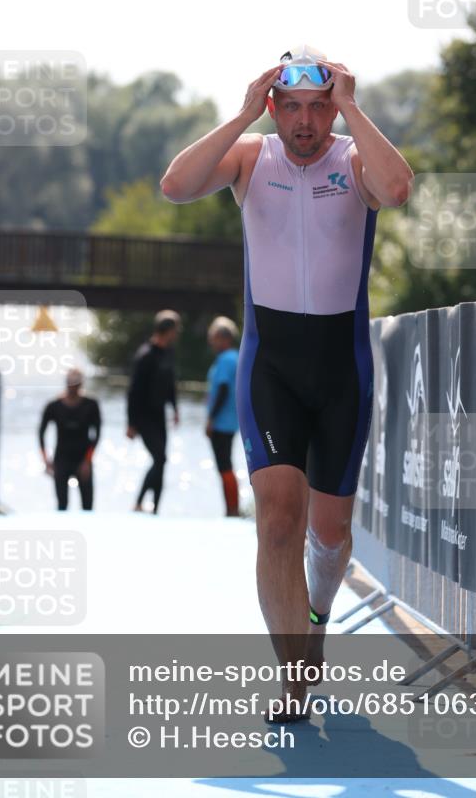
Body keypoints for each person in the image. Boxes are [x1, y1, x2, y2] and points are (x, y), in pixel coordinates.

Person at [161, 44, 414, 721]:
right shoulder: (251, 156)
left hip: (340, 368)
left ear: (333, 108)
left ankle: (319, 613)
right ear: (274, 106)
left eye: (319, 107)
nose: (305, 122)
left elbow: (396, 189)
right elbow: (176, 186)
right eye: (292, 107)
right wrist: (242, 113)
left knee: (327, 535)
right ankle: (294, 679)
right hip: (269, 362)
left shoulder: (353, 163)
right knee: (277, 519)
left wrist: (355, 109)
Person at [127, 309, 181, 514]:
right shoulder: (145, 355)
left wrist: (175, 409)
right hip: (144, 417)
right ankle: (139, 502)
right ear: (166, 330)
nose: (177, 334)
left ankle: (155, 508)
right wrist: (131, 423)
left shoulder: (169, 352)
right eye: (175, 330)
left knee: (161, 461)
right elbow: (133, 391)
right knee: (160, 458)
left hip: (159, 414)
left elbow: (170, 385)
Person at [39, 367, 101, 511]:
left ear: (81, 384)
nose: (73, 387)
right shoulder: (54, 406)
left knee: (87, 507)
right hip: (62, 459)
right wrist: (46, 460)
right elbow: (41, 433)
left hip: (83, 458)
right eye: (70, 383)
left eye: (76, 384)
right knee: (62, 506)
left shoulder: (91, 405)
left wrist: (88, 460)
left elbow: (97, 435)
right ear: (66, 383)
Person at [205, 316, 241, 517]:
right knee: (224, 463)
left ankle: (232, 509)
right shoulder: (232, 357)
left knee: (224, 464)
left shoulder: (227, 359)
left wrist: (211, 418)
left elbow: (224, 388)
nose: (211, 341)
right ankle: (231, 507)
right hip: (229, 420)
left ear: (224, 338)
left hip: (222, 422)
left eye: (214, 337)